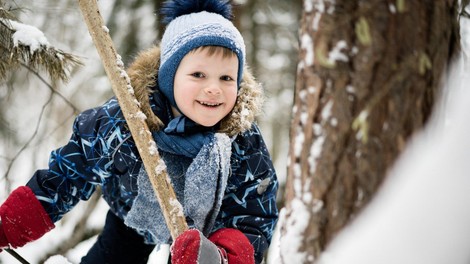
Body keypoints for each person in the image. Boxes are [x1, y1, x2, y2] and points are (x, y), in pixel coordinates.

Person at [0, 0, 279, 263]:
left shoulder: (240, 141)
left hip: (204, 238)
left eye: (227, 78)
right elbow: (67, 176)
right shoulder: (125, 121)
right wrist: (9, 226)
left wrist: (218, 256)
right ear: (168, 77)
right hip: (131, 217)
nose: (214, 88)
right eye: (198, 75)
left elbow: (253, 215)